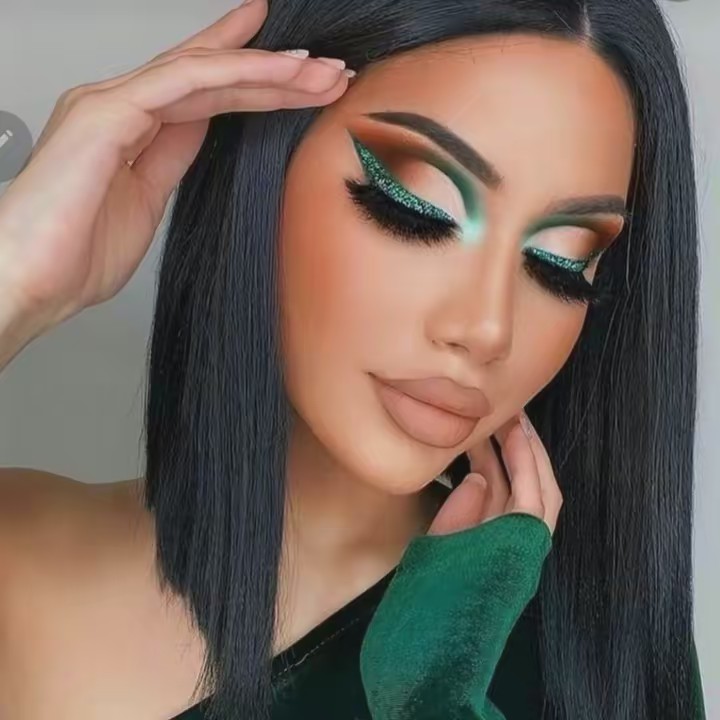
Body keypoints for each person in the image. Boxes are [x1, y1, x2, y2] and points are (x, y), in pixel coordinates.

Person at [0, 0, 706, 718]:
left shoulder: (602, 650)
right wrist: (17, 278)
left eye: (561, 262)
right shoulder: (16, 563)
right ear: (262, 167)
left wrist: (434, 696)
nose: (487, 328)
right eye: (414, 207)